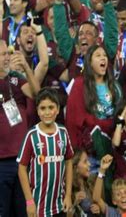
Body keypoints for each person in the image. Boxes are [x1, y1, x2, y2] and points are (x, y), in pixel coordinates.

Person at [17, 88, 74, 217]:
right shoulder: (32, 135)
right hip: (38, 208)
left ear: (58, 109)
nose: (47, 112)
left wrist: (69, 195)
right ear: (37, 111)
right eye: (43, 108)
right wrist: (29, 201)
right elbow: (21, 168)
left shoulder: (63, 132)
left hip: (60, 205)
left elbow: (69, 162)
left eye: (51, 107)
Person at [0, 39, 40, 217]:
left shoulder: (16, 78)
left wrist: (26, 67)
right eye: (3, 55)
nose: (7, 58)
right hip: (1, 161)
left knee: (23, 211)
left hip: (22, 160)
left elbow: (36, 94)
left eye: (8, 54)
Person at [70, 150, 101, 216]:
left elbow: (102, 206)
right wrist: (74, 204)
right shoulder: (68, 190)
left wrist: (98, 209)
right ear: (76, 168)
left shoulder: (91, 182)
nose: (89, 164)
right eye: (85, 161)